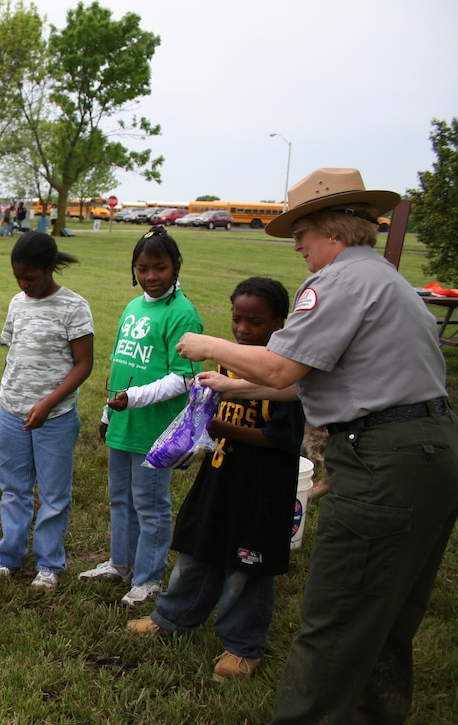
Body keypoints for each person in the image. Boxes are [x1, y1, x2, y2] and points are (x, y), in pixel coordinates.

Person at [177, 168, 458, 723]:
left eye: (301, 231)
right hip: (431, 453)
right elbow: (303, 378)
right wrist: (232, 385)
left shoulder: (337, 282)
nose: (297, 244)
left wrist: (208, 345)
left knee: (336, 621)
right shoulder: (385, 280)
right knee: (387, 616)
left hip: (384, 463)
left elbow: (281, 364)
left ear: (330, 228)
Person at [126, 277, 305, 684]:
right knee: (197, 548)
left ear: (280, 322)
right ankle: (173, 617)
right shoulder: (228, 363)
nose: (243, 329)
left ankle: (242, 646)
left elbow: (284, 440)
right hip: (220, 478)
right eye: (237, 319)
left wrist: (219, 426)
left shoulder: (284, 374)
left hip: (261, 489)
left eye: (255, 322)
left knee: (247, 566)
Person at [79, 225, 203, 606]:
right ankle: (121, 564)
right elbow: (122, 367)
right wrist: (107, 411)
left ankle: (148, 578)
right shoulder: (134, 307)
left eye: (160, 268)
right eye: (143, 268)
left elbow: (184, 379)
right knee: (120, 498)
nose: (150, 276)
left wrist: (133, 399)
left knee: (150, 504)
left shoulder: (183, 314)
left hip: (154, 428)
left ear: (176, 266)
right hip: (124, 423)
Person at [0, 231, 94, 590]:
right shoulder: (18, 303)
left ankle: (48, 564)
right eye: (18, 277)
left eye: (30, 277)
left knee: (53, 493)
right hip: (14, 412)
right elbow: (13, 354)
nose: (23, 283)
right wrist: (1, 398)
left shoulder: (74, 307)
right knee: (13, 488)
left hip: (55, 417)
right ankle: (8, 556)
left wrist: (48, 403)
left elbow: (83, 364)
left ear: (50, 269)